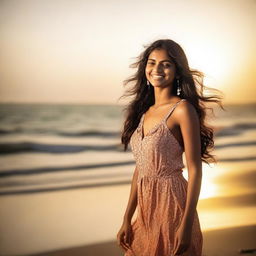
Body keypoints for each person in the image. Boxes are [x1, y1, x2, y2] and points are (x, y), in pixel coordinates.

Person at [117, 39, 223, 256]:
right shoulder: (143, 111)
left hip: (173, 206)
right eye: (152, 62)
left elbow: (194, 170)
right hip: (146, 211)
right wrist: (127, 217)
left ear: (177, 70)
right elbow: (141, 169)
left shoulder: (182, 110)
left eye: (166, 64)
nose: (157, 69)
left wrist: (185, 224)